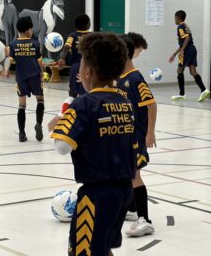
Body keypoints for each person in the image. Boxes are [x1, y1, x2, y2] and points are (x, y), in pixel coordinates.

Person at [48, 33, 136, 256]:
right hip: (124, 191)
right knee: (103, 246)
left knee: (83, 250)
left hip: (96, 194)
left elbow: (62, 147)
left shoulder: (84, 104)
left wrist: (59, 122)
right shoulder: (124, 103)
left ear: (87, 72)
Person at [116, 34, 157, 237]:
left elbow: (151, 104)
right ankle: (131, 210)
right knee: (125, 174)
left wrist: (150, 132)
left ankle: (145, 220)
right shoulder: (120, 77)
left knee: (134, 175)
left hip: (136, 137)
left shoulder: (135, 78)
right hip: (123, 136)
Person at [4, 16, 45, 142]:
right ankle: (38, 123)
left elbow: (9, 60)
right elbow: (40, 62)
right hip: (35, 77)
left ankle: (22, 133)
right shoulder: (35, 43)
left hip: (21, 78)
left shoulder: (13, 44)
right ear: (29, 30)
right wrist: (42, 74)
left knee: (22, 104)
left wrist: (6, 70)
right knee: (40, 100)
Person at [169, 10, 210, 102]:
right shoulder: (186, 26)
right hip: (192, 49)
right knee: (192, 71)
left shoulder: (180, 27)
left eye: (175, 18)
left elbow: (187, 38)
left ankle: (181, 94)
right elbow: (184, 41)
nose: (174, 20)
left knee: (179, 70)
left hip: (187, 50)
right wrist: (174, 54)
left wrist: (182, 50)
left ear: (178, 18)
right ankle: (204, 90)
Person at [58, 14, 91, 98]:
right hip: (89, 67)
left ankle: (72, 106)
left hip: (75, 67)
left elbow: (66, 46)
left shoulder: (72, 36)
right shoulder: (93, 36)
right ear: (88, 24)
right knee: (87, 91)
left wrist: (62, 58)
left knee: (72, 92)